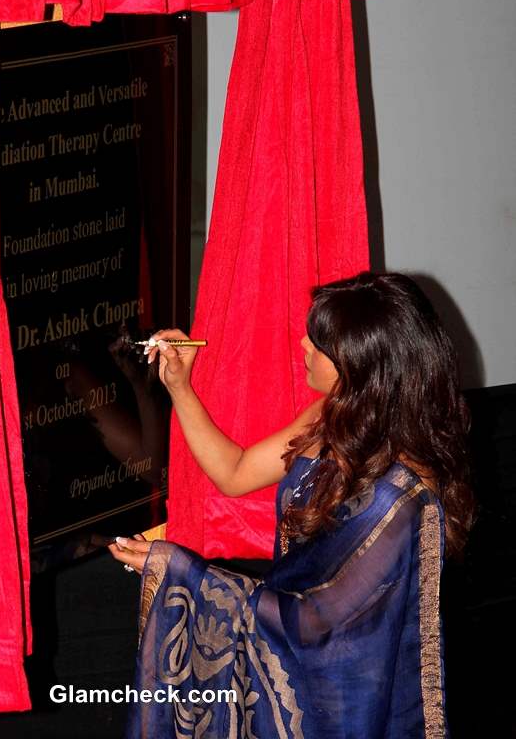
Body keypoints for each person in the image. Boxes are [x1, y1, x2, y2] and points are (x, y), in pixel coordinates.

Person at [109, 271, 475, 738]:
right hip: (288, 647)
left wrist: (186, 574)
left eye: (319, 342)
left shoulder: (398, 495)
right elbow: (236, 472)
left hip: (341, 695)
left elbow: (319, 622)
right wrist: (180, 387)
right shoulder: (333, 416)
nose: (302, 343)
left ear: (359, 362)